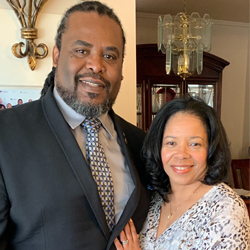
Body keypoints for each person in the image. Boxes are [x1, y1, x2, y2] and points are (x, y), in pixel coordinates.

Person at [0, 2, 151, 250]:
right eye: (81, 51)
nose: (96, 65)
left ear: (121, 70)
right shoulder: (6, 134)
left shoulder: (141, 143)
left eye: (110, 56)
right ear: (57, 56)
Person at [114, 96, 250, 250]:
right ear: (158, 148)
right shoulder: (152, 197)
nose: (181, 154)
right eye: (171, 143)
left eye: (194, 144)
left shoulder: (227, 210)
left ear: (211, 149)